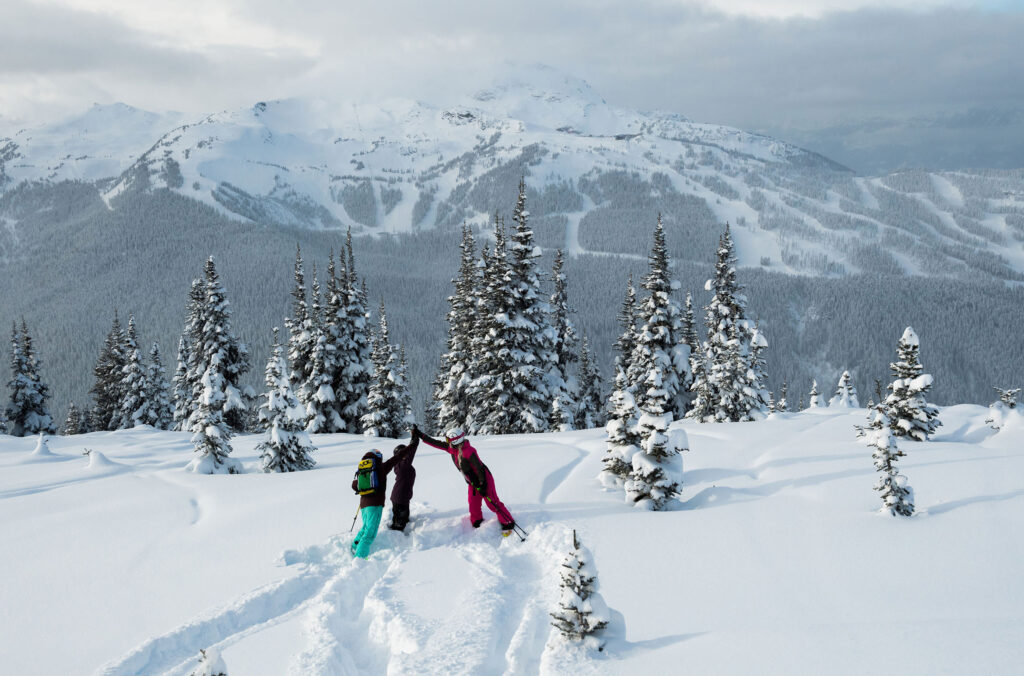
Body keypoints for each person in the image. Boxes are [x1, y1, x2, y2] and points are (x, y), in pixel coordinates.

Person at [417, 427, 516, 533]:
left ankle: (508, 521)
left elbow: (479, 468)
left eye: (448, 440)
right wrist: (421, 435)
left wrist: (483, 485)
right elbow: (436, 443)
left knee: (492, 503)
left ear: (455, 440)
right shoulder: (453, 449)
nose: (447, 442)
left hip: (484, 479)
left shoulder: (469, 451)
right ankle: (477, 520)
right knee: (473, 501)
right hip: (472, 480)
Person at [350, 432, 419, 558]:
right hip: (375, 505)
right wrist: (412, 445)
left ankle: (354, 547)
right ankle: (360, 558)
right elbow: (397, 458)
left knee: (365, 527)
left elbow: (354, 485)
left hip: (364, 505)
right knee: (370, 533)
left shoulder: (361, 470)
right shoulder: (380, 468)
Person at [388, 425, 420, 531]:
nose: (405, 454)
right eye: (403, 453)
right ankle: (395, 540)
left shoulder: (403, 464)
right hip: (400, 498)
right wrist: (415, 438)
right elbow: (412, 450)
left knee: (403, 519)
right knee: (399, 525)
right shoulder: (403, 465)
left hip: (402, 497)